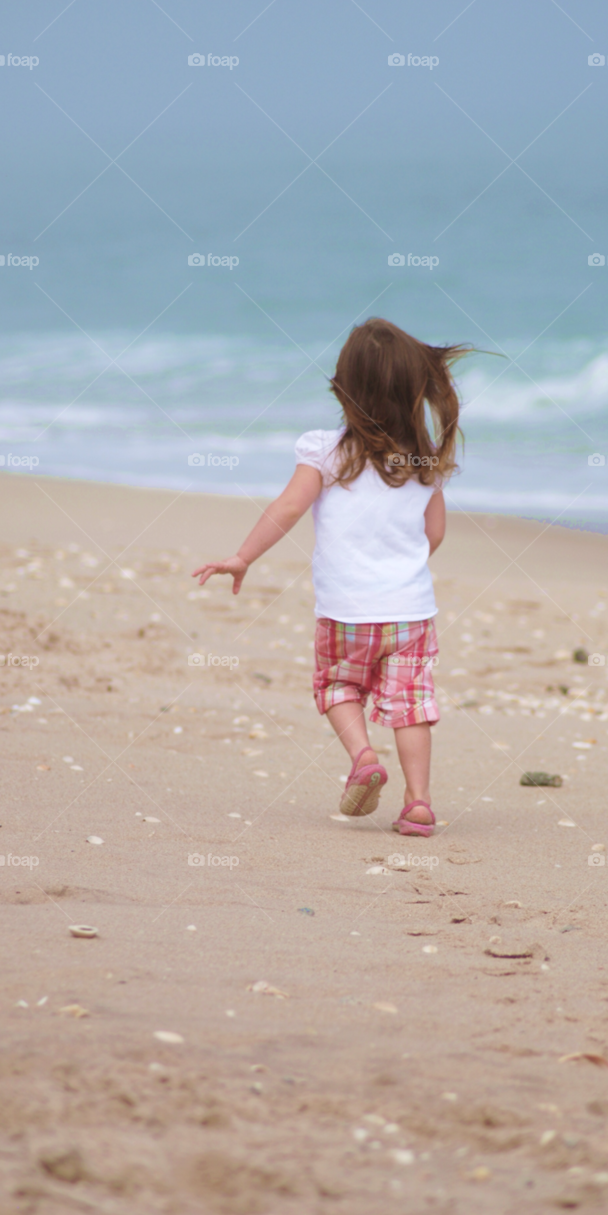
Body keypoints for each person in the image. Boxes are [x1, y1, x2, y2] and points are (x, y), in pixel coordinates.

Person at [193, 317, 472, 836]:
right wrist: (401, 564)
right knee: (411, 706)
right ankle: (418, 803)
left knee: (339, 685)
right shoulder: (421, 463)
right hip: (410, 613)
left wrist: (243, 556)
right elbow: (434, 535)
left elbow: (288, 507)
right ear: (414, 395)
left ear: (344, 388)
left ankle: (364, 756)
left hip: (345, 611)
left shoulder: (325, 451)